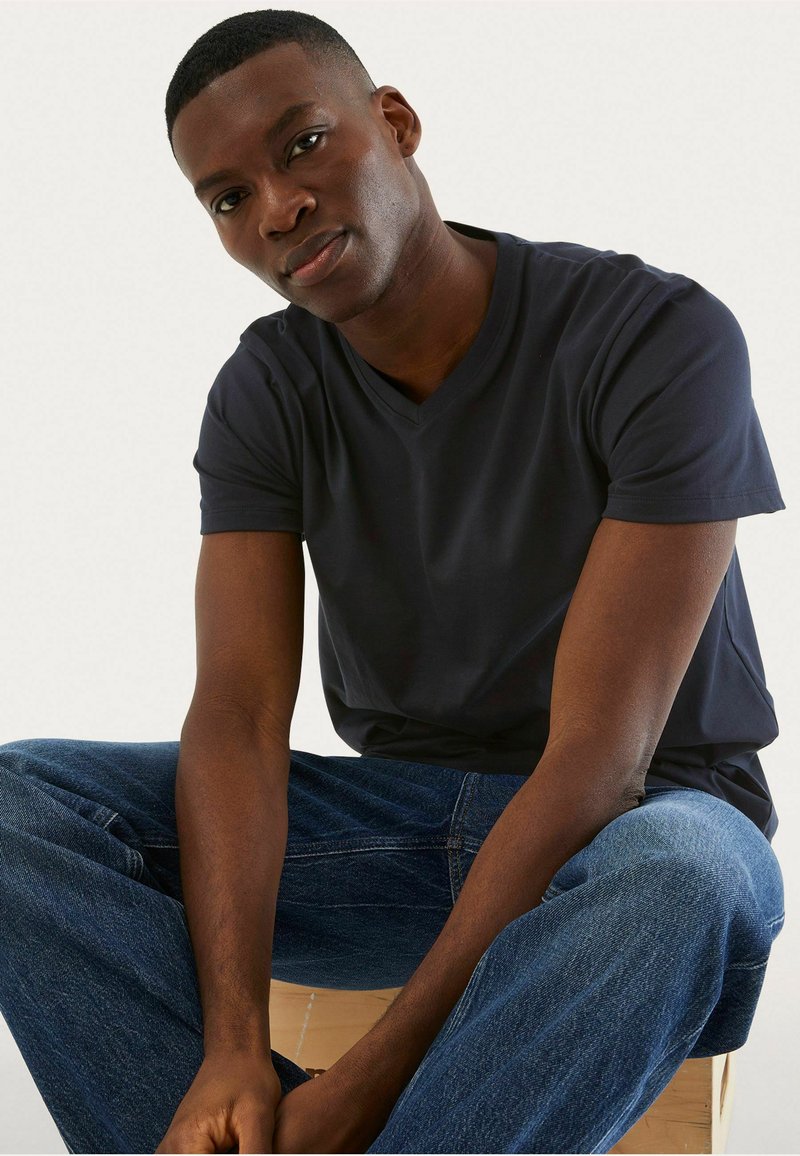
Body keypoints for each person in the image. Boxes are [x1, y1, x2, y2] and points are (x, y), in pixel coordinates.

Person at [0, 8, 787, 1154]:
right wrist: (230, 1046)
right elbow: (238, 714)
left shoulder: (651, 335)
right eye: (228, 198)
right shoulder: (268, 390)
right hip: (406, 830)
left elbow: (599, 759)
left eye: (304, 144)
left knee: (681, 875)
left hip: (635, 823)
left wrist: (369, 1080)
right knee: (16, 807)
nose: (277, 208)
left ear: (396, 123)